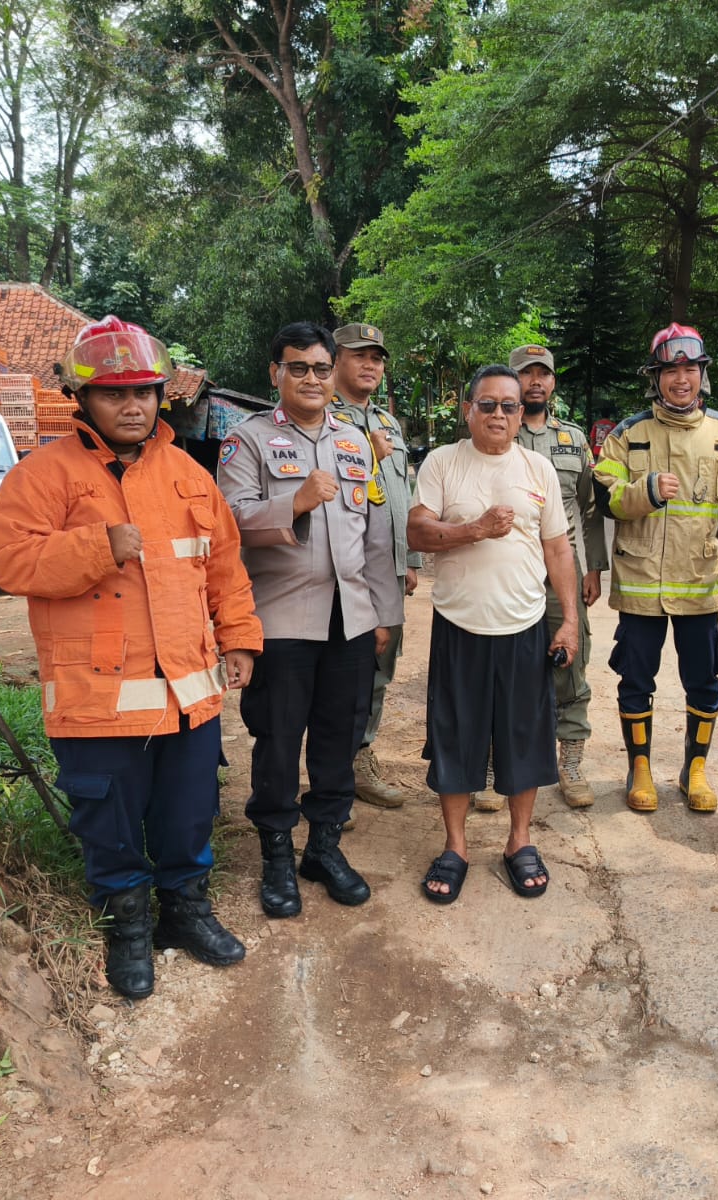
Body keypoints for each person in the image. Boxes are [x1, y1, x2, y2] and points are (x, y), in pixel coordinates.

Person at [0, 315, 262, 1000]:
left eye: (144, 392)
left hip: (187, 694)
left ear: (161, 394)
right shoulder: (43, 475)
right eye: (114, 394)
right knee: (107, 821)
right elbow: (6, 559)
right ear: (82, 400)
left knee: (189, 812)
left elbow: (224, 567)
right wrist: (97, 545)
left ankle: (186, 912)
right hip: (96, 699)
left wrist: (241, 638)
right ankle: (129, 926)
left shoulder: (188, 475)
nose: (132, 406)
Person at [217, 322, 403, 919]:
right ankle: (276, 854)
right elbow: (231, 523)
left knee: (338, 740)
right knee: (277, 741)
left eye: (322, 369)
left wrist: (382, 613)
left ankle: (324, 846)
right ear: (277, 374)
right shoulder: (246, 441)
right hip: (281, 619)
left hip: (349, 620)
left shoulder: (353, 442)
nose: (312, 379)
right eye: (299, 368)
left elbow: (375, 534)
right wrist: (293, 502)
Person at [408, 365, 579, 904]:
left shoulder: (539, 468)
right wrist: (474, 529)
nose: (500, 415)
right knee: (456, 737)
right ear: (468, 410)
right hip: (459, 627)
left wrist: (569, 618)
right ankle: (455, 847)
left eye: (511, 406)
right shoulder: (442, 463)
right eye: (488, 405)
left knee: (523, 737)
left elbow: (558, 549)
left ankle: (519, 841)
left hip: (525, 626)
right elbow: (416, 530)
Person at [593, 323, 718, 814]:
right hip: (640, 588)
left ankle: (693, 770)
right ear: (655, 376)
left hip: (701, 585)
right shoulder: (627, 435)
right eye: (670, 370)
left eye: (690, 369)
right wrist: (647, 492)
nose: (681, 379)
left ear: (702, 375)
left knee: (704, 680)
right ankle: (639, 768)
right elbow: (605, 499)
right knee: (636, 680)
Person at [327, 322, 422, 815]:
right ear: (336, 358)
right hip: (342, 574)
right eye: (359, 355)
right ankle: (332, 774)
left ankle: (359, 759)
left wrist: (408, 561)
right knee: (340, 673)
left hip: (388, 571)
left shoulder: (387, 421)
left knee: (379, 672)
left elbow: (398, 497)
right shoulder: (321, 416)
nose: (370, 365)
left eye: (377, 358)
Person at [510, 343, 609, 808]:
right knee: (504, 669)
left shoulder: (572, 439)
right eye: (526, 373)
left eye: (542, 374)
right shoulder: (494, 429)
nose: (535, 381)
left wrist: (594, 569)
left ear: (552, 383)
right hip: (507, 573)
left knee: (570, 665)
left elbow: (589, 510)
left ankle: (569, 764)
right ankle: (499, 763)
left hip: (561, 573)